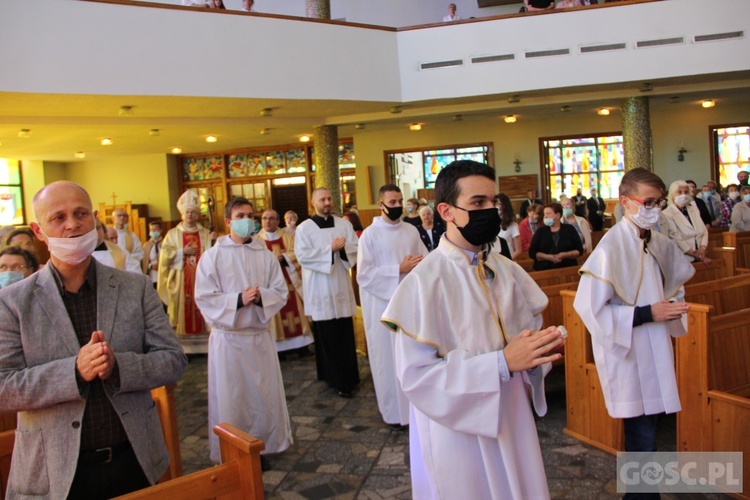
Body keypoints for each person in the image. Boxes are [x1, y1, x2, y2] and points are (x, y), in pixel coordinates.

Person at [381, 160, 563, 499]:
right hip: (457, 430)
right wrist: (501, 364)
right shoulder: (424, 282)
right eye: (478, 203)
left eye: (494, 202)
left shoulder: (505, 269)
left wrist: (538, 352)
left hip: (511, 412)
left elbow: (523, 340)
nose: (491, 211)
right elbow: (416, 377)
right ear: (447, 211)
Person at [0, 181, 187, 499]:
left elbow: (173, 360)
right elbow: (4, 389)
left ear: (95, 219)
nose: (72, 224)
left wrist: (118, 367)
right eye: (58, 218)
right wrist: (73, 371)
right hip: (55, 471)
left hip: (133, 460)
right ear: (38, 230)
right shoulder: (12, 302)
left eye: (80, 213)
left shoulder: (135, 287)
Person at [574, 168, 693, 476]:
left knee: (649, 430)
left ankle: (640, 495)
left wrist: (675, 304)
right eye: (648, 202)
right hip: (629, 349)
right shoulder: (610, 248)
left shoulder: (658, 241)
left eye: (659, 202)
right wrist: (646, 314)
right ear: (626, 202)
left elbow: (673, 285)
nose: (654, 209)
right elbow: (589, 307)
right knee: (641, 434)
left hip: (655, 344)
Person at [195, 197, 292, 467]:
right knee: (233, 399)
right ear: (227, 221)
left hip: (258, 338)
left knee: (262, 398)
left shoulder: (264, 254)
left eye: (250, 215)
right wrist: (238, 299)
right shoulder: (213, 256)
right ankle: (234, 451)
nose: (246, 220)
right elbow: (204, 297)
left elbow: (280, 291)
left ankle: (262, 447)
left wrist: (261, 298)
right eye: (240, 215)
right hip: (229, 340)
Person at [357, 184, 426, 428]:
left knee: (411, 356)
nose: (398, 206)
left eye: (400, 202)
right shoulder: (370, 235)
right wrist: (398, 269)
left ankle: (415, 410)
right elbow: (364, 275)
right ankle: (393, 414)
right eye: (393, 202)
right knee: (387, 359)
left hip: (409, 306)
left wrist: (418, 268)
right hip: (382, 308)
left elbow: (425, 261)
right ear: (380, 204)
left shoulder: (411, 230)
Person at [295, 187, 361, 398]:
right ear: (313, 203)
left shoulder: (343, 224)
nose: (327, 202)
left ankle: (349, 377)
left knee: (344, 333)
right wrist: (329, 250)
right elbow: (303, 256)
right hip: (320, 286)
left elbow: (356, 247)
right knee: (327, 335)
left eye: (329, 198)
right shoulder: (304, 228)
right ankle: (332, 376)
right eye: (322, 199)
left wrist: (342, 250)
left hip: (340, 284)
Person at [158, 190, 213, 353]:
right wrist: (182, 251)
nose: (190, 215)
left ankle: (204, 346)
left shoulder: (205, 233)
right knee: (183, 309)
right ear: (182, 214)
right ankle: (185, 349)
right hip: (182, 279)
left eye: (193, 212)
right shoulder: (172, 234)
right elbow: (164, 256)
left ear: (197, 215)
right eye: (187, 212)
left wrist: (213, 241)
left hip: (201, 279)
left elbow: (212, 255)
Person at [256, 209, 313, 354]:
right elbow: (252, 262)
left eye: (271, 219)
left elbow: (299, 253)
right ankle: (279, 349)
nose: (268, 222)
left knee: (296, 310)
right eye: (265, 219)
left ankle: (302, 345)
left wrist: (284, 257)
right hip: (270, 284)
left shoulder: (288, 237)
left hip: (290, 280)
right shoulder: (256, 241)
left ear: (278, 221)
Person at [662, 180, 710, 264]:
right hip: (684, 257)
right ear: (672, 195)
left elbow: (704, 231)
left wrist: (703, 248)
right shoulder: (667, 213)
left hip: (700, 255)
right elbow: (675, 237)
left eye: (686, 192)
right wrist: (693, 253)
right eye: (679, 192)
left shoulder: (693, 209)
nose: (683, 195)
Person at [528, 203, 583, 271]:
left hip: (567, 268)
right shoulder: (540, 231)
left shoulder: (569, 229)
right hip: (544, 269)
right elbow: (532, 252)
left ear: (558, 215)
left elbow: (579, 250)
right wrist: (548, 257)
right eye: (544, 214)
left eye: (548, 213)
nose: (545, 216)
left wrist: (565, 255)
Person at [494, 193, 522, 260]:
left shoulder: (512, 225)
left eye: (499, 204)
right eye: (495, 203)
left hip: (508, 261)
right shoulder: (491, 224)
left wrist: (508, 261)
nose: (496, 206)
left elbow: (518, 250)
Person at [142, 221, 163, 287]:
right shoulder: (146, 245)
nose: (153, 231)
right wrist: (150, 266)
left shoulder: (166, 243)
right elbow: (143, 261)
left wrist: (160, 264)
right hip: (152, 275)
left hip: (163, 273)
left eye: (155, 229)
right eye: (151, 229)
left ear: (161, 230)